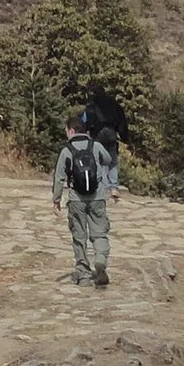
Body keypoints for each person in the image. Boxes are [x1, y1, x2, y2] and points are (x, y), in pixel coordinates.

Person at [52, 115, 113, 288]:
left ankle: (84, 274)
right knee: (100, 233)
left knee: (79, 236)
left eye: (66, 131)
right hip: (98, 197)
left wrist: (56, 200)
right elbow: (108, 160)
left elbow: (59, 178)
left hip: (76, 199)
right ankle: (100, 260)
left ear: (71, 130)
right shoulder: (96, 146)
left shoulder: (66, 150)